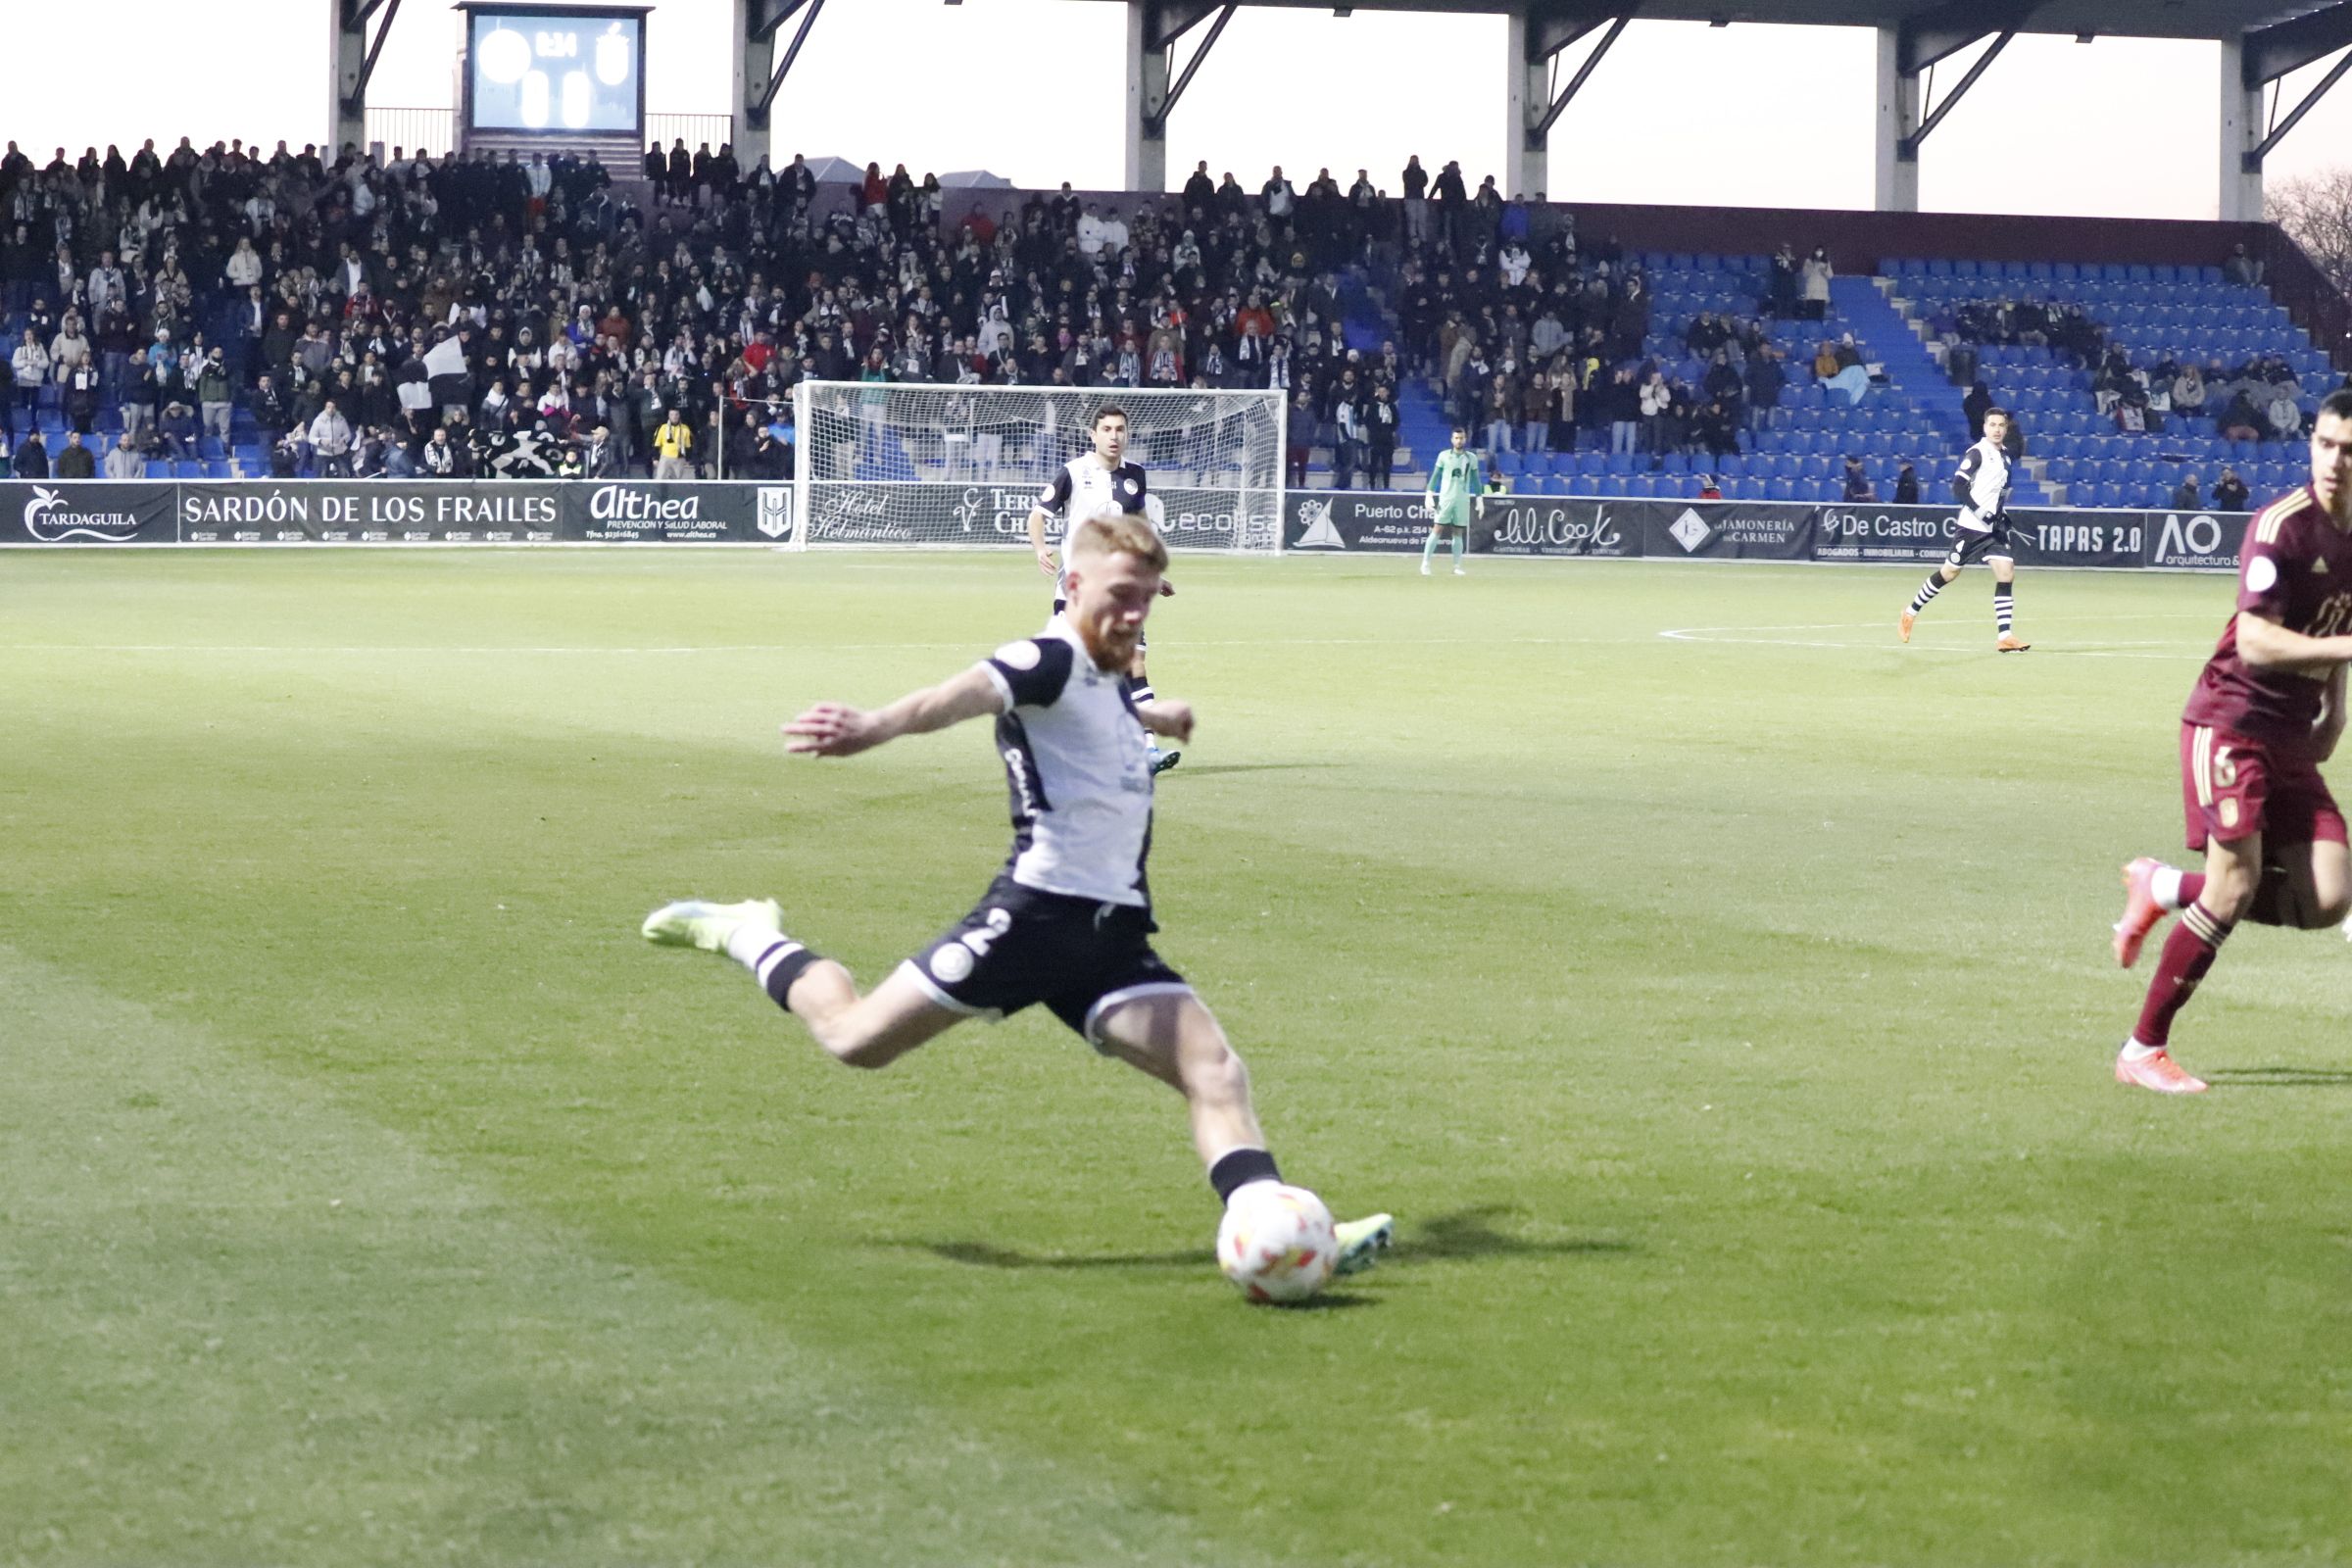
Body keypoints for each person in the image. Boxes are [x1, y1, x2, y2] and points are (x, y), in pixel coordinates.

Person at [639, 510, 1394, 1286]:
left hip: (1106, 939)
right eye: (1121, 595)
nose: (1135, 614)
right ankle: (750, 933)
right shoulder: (1045, 658)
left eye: (1148, 599)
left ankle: (1283, 1230)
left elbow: (1091, 717)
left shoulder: (1103, 674)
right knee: (854, 1039)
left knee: (1216, 1072)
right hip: (1032, 919)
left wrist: (1151, 711)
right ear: (1071, 585)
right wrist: (875, 726)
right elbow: (958, 694)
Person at [2106, 389, 2352, 1093]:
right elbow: (2253, 639)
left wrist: (2336, 709)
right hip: (2232, 722)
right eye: (2326, 445)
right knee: (2237, 882)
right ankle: (2141, 1048)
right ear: (2311, 444)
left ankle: (2162, 886)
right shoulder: (2282, 526)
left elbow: (2336, 620)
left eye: (2349, 451)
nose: (2334, 462)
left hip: (2291, 733)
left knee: (2331, 896)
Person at [1025, 405, 1179, 775]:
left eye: (1120, 429)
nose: (1114, 436)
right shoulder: (1074, 473)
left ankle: (1148, 749)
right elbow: (1037, 514)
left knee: (1134, 663)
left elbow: (1140, 527)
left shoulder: (1135, 477)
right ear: (1092, 435)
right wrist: (1040, 548)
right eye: (1107, 429)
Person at [1898, 408, 2030, 652]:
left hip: (1993, 529)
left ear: (2006, 428)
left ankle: (2005, 636)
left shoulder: (2006, 457)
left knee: (2006, 572)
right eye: (1992, 424)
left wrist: (2002, 516)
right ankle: (1910, 612)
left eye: (2001, 425)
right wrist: (1981, 513)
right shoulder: (1977, 453)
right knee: (1949, 573)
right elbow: (1958, 487)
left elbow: (1998, 493)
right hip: (1971, 527)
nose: (1997, 429)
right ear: (1985, 427)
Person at [1421, 426, 1484, 577]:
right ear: (1452, 440)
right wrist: (1429, 494)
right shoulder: (1443, 456)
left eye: (1461, 438)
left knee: (1458, 532)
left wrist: (1479, 498)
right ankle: (1425, 563)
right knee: (1437, 529)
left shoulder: (1471, 458)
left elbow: (1475, 479)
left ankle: (1456, 566)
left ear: (1465, 439)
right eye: (1456, 438)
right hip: (1445, 498)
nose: (1459, 440)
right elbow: (1436, 476)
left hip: (1462, 499)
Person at [653, 407, 694, 478]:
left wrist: (688, 459)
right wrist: (655, 458)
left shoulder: (685, 428)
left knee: (676, 481)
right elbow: (657, 444)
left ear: (679, 415)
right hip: (665, 457)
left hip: (679, 458)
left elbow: (688, 445)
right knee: (660, 478)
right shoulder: (663, 428)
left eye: (676, 414)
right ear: (669, 416)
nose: (674, 417)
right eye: (672, 414)